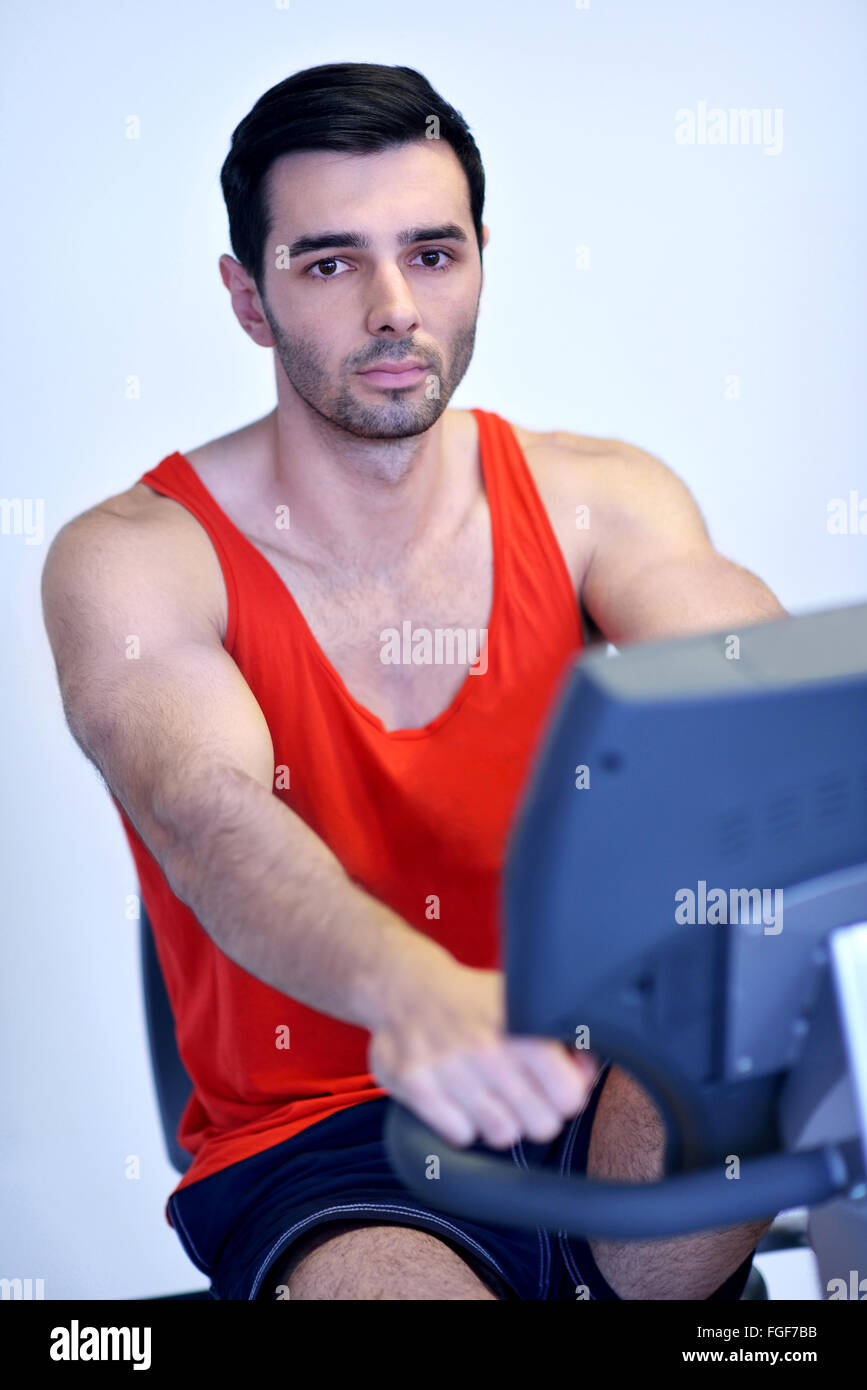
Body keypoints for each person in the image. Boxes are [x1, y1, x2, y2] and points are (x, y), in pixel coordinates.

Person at [41, 62, 785, 1300]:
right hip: (330, 1141)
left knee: (759, 979)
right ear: (247, 295)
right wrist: (419, 992)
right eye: (331, 263)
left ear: (481, 258)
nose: (395, 307)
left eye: (432, 255)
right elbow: (211, 821)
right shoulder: (136, 561)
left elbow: (771, 717)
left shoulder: (603, 500)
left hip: (602, 1082)